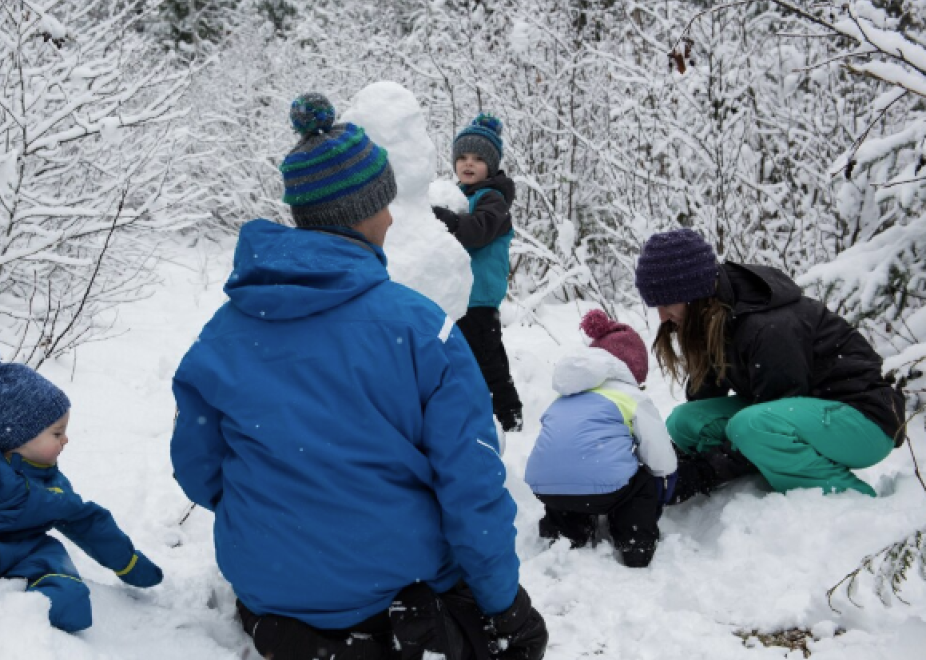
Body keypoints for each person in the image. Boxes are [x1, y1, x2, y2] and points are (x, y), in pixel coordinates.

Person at [170, 93, 547, 660]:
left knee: (293, 592)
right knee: (510, 635)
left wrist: (281, 509)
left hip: (267, 576)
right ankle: (387, 629)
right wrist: (504, 606)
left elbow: (197, 470)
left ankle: (291, 628)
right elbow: (471, 483)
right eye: (383, 204)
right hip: (393, 573)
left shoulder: (221, 335)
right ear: (361, 213)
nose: (392, 216)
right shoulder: (423, 329)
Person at [634, 228, 906, 500]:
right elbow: (703, 399)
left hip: (865, 423)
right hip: (805, 412)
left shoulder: (768, 325)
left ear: (694, 291)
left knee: (752, 427)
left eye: (667, 303)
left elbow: (777, 405)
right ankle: (772, 467)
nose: (662, 317)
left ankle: (853, 502)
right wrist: (672, 463)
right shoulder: (714, 316)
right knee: (684, 421)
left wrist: (704, 471)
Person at [0, 339, 163, 631]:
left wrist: (128, 562)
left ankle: (27, 617)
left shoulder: (48, 477)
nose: (65, 440)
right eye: (57, 433)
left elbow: (83, 519)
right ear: (17, 438)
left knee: (72, 601)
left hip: (28, 553)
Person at [525, 310, 678, 567]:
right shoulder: (630, 396)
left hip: (546, 488)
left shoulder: (564, 395)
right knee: (641, 482)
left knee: (568, 481)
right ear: (633, 368)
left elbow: (558, 447)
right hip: (604, 489)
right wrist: (664, 477)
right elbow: (660, 458)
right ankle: (634, 542)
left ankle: (566, 532)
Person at [431, 114, 524, 432]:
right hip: (460, 296)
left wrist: (446, 219)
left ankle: (509, 415)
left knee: (488, 360)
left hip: (479, 296)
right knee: (470, 357)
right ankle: (478, 411)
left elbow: (476, 232)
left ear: (492, 165)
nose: (468, 164)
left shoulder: (492, 200)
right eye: (462, 157)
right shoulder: (461, 196)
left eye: (478, 159)